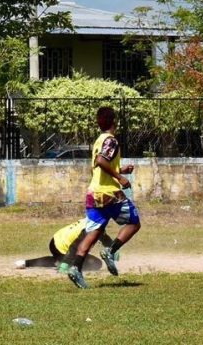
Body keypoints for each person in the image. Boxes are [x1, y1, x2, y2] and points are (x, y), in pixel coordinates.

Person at [65, 106, 141, 289]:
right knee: (134, 223)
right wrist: (120, 177)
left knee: (94, 233)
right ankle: (110, 250)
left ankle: (75, 268)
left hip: (93, 193)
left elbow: (97, 166)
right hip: (109, 194)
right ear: (114, 121)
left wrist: (120, 169)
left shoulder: (99, 140)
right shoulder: (111, 140)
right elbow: (101, 161)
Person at [15, 216, 112, 272]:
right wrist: (66, 262)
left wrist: (113, 248)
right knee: (95, 264)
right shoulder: (92, 228)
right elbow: (75, 246)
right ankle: (63, 262)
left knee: (58, 260)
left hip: (56, 239)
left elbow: (103, 237)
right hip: (63, 247)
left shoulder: (92, 218)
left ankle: (25, 263)